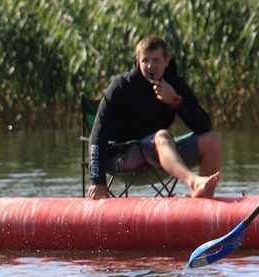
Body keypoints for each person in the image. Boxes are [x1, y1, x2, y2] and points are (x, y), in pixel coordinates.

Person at [87, 35, 219, 199]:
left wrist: (176, 101)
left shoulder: (175, 85)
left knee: (212, 140)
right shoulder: (121, 86)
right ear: (137, 60)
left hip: (162, 157)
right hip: (126, 157)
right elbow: (97, 136)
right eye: (145, 61)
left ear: (167, 60)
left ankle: (203, 206)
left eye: (156, 60)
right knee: (162, 135)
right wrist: (97, 180)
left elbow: (204, 126)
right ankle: (193, 182)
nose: (150, 66)